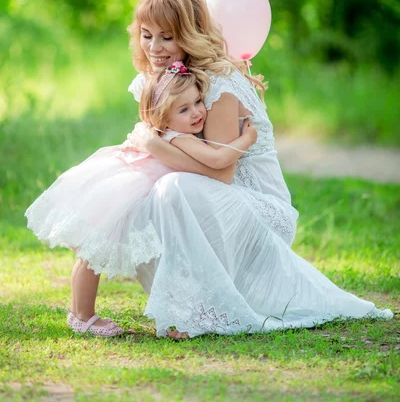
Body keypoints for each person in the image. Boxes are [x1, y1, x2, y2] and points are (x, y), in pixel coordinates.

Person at [70, 0, 392, 340]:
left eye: (167, 37)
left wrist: (157, 147)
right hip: (207, 196)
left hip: (257, 208)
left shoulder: (218, 83)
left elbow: (220, 175)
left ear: (189, 33)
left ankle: (192, 313)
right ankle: (95, 310)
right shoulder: (161, 79)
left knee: (170, 186)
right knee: (131, 191)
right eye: (147, 35)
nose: (155, 48)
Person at [25, 60, 257, 337]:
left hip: (120, 182)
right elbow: (219, 159)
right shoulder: (181, 138)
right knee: (94, 252)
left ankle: (80, 313)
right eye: (184, 109)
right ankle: (82, 315)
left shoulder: (170, 132)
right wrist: (247, 138)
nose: (197, 113)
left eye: (198, 102)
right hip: (128, 191)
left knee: (91, 252)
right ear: (163, 117)